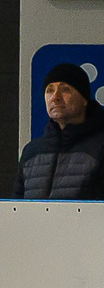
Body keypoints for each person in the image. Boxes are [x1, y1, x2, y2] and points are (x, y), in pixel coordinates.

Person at [15, 63, 104, 199]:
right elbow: (15, 208)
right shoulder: (31, 151)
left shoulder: (100, 147)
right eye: (49, 90)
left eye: (65, 89)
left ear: (84, 99)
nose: (55, 97)